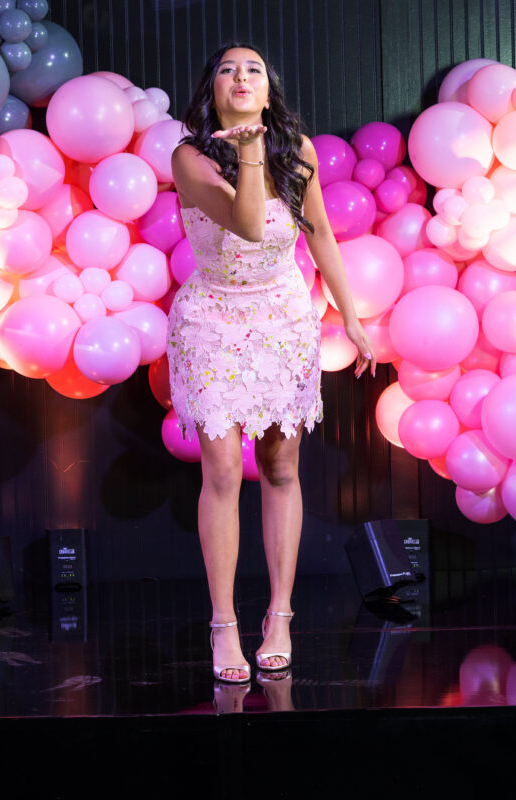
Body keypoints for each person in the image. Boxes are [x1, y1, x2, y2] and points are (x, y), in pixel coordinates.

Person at [166, 43, 376, 683]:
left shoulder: (301, 151)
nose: (241, 76)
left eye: (253, 68)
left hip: (283, 320)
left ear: (268, 87)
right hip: (213, 318)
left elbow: (319, 235)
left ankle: (279, 614)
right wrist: (250, 152)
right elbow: (250, 226)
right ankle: (224, 623)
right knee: (224, 468)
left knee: (282, 464)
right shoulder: (190, 156)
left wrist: (352, 317)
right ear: (212, 89)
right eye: (228, 69)